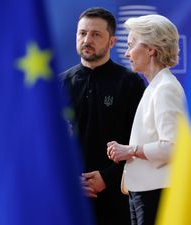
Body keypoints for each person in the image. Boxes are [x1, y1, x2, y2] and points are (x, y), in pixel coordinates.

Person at [60, 7, 146, 225]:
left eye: (96, 34)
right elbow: (46, 143)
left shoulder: (130, 83)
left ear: (112, 41)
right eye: (82, 33)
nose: (87, 39)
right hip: (68, 196)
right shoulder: (58, 85)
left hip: (116, 198)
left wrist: (107, 178)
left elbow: (139, 141)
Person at [107, 14, 186, 225]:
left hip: (156, 193)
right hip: (144, 192)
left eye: (131, 44)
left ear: (151, 49)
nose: (126, 52)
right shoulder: (155, 87)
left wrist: (130, 150)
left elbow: (173, 147)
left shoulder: (165, 88)